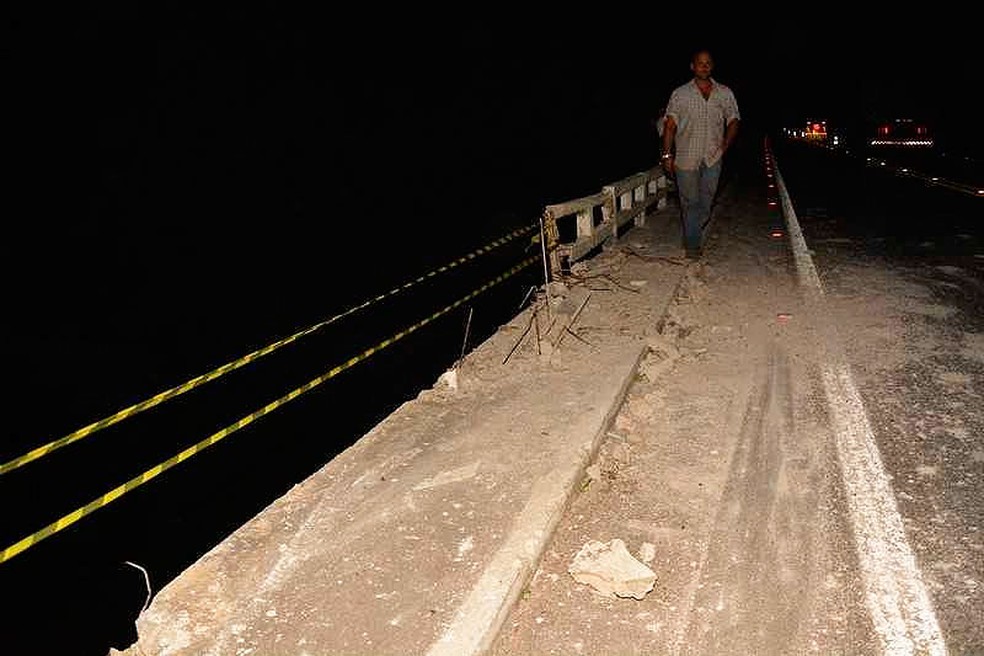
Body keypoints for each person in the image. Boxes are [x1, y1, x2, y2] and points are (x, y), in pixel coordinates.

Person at [660, 48, 740, 259]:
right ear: (692, 66)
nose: (704, 66)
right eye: (700, 63)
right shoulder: (680, 94)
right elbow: (669, 125)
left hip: (714, 156)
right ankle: (693, 246)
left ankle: (691, 231)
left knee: (706, 201)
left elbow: (733, 120)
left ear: (712, 66)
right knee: (689, 202)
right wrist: (667, 155)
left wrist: (724, 146)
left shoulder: (725, 92)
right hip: (686, 158)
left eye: (708, 63)